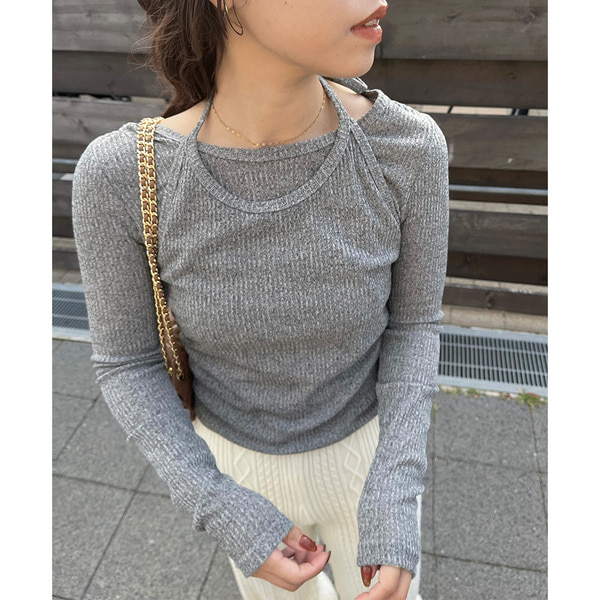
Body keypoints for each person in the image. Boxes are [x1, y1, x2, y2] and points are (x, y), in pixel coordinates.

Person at [71, 1, 449, 599]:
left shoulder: (404, 146)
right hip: (238, 476)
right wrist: (220, 505)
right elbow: (127, 362)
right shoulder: (122, 173)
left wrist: (397, 491)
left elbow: (413, 325)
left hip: (372, 463)